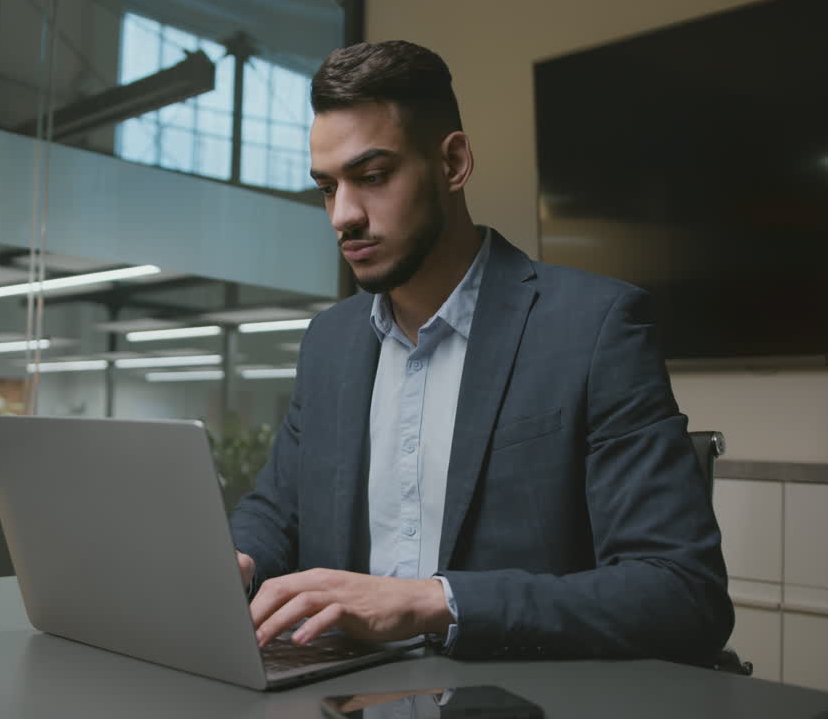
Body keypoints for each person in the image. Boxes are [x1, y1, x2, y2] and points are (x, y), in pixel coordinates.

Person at [229, 40, 734, 664]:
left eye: (373, 176)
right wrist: (238, 558)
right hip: (346, 695)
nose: (344, 215)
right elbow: (278, 511)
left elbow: (683, 594)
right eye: (327, 188)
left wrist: (430, 603)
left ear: (454, 162)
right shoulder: (329, 341)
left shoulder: (595, 326)